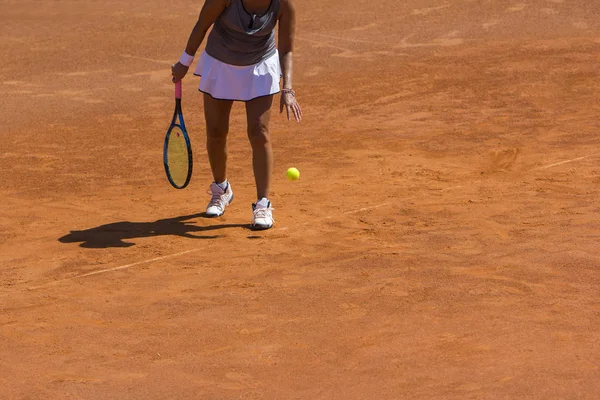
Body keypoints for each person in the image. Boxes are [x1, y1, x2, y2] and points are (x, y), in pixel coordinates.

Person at [171, 0, 302, 230]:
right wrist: (184, 62)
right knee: (216, 131)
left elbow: (287, 48)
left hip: (260, 65)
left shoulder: (283, 4)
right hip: (220, 63)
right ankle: (221, 189)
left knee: (259, 131)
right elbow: (202, 24)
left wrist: (288, 88)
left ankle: (263, 204)